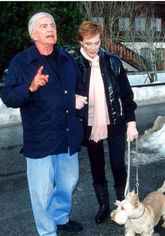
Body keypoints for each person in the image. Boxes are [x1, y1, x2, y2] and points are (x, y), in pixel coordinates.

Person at [1, 12, 84, 236]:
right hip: (40, 137)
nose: (51, 29)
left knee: (69, 180)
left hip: (66, 134)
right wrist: (30, 87)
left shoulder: (67, 58)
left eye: (53, 25)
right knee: (41, 190)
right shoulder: (21, 62)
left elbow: (77, 87)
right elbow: (8, 97)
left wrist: (78, 99)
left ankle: (59, 216)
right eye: (44, 26)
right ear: (33, 33)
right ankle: (47, 231)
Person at [75, 20, 139, 224]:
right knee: (97, 166)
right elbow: (65, 92)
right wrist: (72, 100)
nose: (93, 48)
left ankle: (121, 204)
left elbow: (127, 95)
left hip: (115, 121)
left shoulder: (113, 61)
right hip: (89, 123)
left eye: (96, 42)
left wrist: (131, 122)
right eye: (88, 43)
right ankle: (103, 205)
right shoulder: (74, 65)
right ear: (80, 43)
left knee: (118, 164)